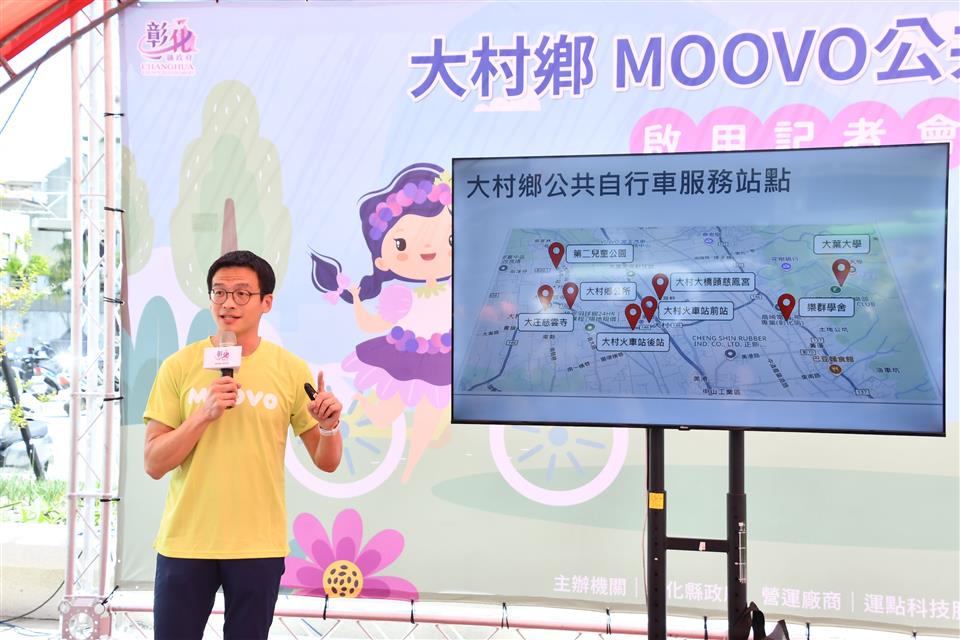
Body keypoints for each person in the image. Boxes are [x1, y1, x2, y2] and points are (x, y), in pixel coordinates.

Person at [143, 250, 343, 640]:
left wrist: (329, 427)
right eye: (219, 292)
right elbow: (153, 462)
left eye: (241, 293)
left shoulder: (290, 369)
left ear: (266, 302)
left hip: (257, 544)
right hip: (186, 541)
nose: (228, 303)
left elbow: (327, 462)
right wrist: (203, 415)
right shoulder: (179, 366)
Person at [311, 162, 451, 483]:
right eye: (402, 244)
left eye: (449, 239)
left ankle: (411, 469)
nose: (428, 249)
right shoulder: (402, 297)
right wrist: (357, 300)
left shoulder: (454, 293)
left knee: (429, 417)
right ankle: (373, 418)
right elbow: (374, 325)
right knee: (390, 410)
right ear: (382, 260)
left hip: (442, 358)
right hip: (407, 356)